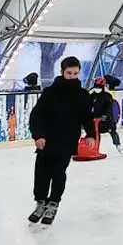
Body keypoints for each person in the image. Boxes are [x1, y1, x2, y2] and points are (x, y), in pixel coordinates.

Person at [28, 56, 96, 225]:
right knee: (41, 174)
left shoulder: (82, 95)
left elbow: (87, 117)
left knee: (59, 174)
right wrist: (38, 135)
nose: (72, 76)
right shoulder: (50, 92)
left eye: (75, 73)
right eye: (69, 73)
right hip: (47, 141)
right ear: (62, 72)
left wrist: (91, 135)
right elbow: (37, 115)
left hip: (67, 141)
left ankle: (53, 203)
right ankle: (40, 203)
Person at [90, 77, 123, 154]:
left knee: (112, 131)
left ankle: (118, 144)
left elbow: (109, 108)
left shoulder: (107, 96)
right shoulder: (92, 95)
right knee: (95, 133)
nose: (97, 89)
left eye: (99, 87)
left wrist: (105, 116)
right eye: (96, 87)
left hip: (106, 119)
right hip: (96, 119)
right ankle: (94, 149)